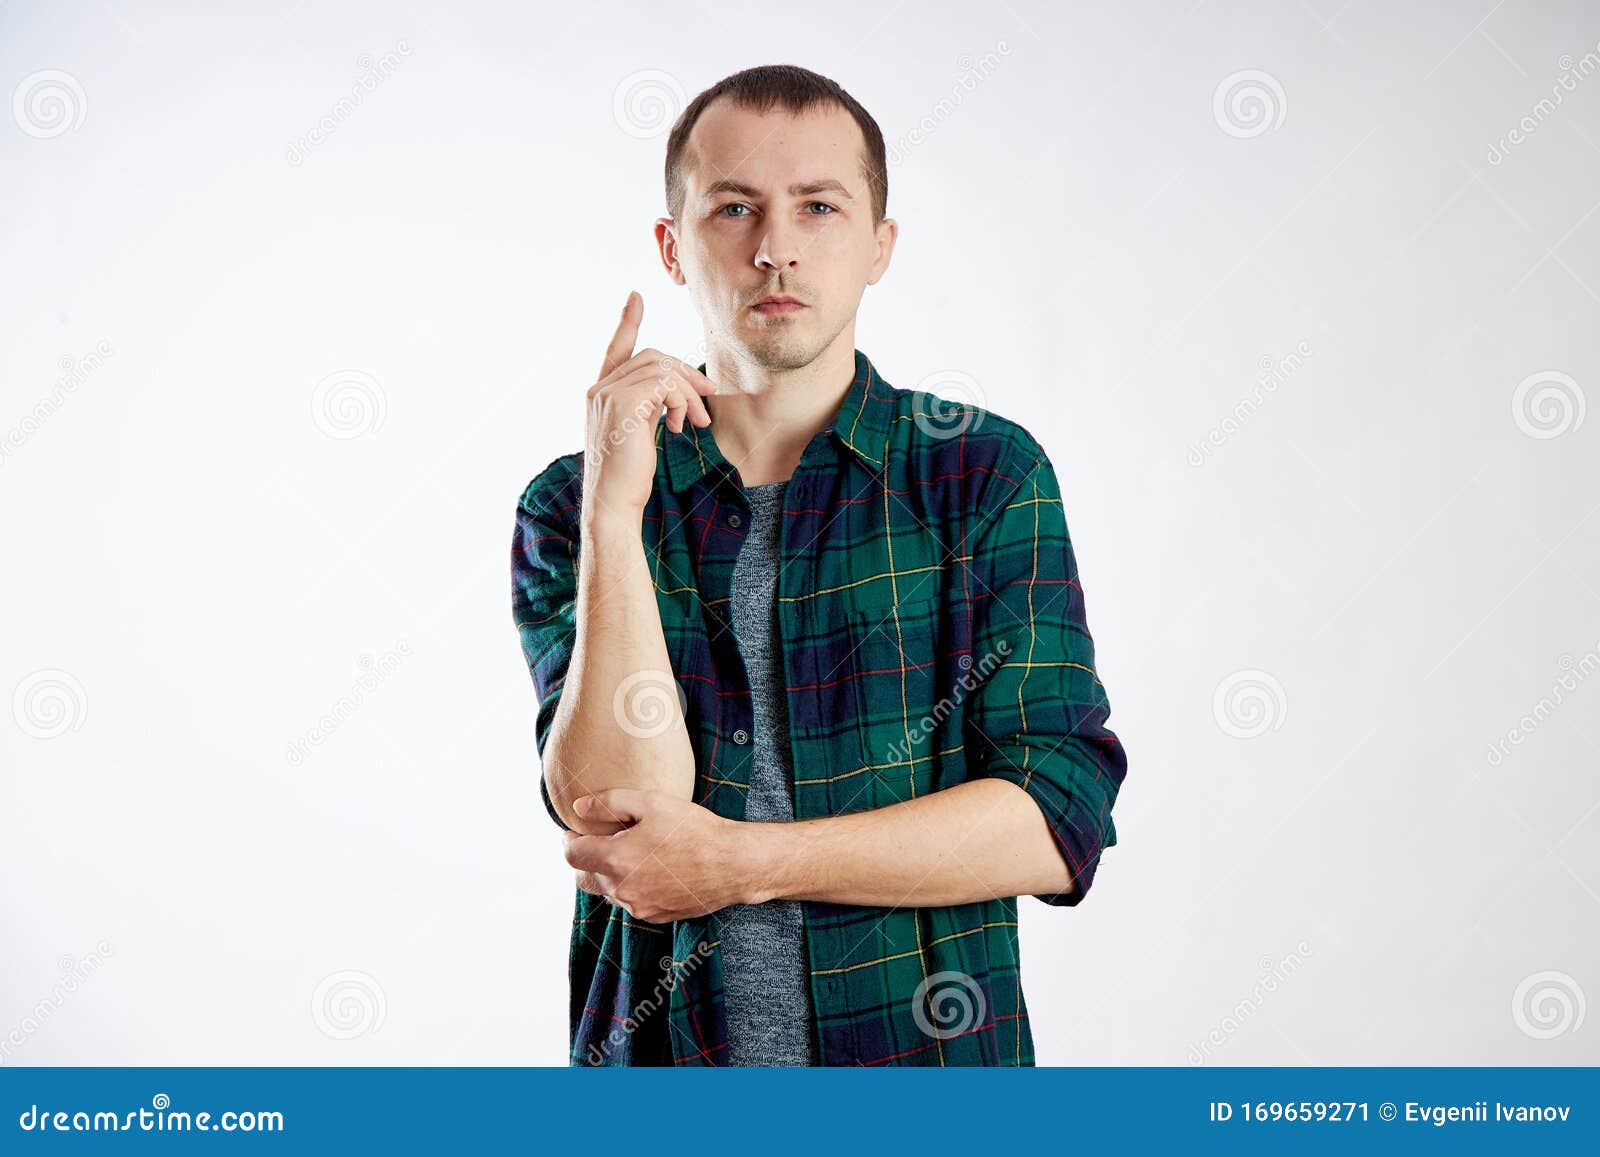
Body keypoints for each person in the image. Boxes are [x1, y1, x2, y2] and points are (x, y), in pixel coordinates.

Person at [511, 63, 1128, 1066]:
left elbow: (1056, 816)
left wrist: (744, 862)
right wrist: (618, 516)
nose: (775, 250)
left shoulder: (979, 477)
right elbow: (610, 812)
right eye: (734, 209)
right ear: (673, 247)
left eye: (819, 207)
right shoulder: (570, 504)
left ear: (879, 246)